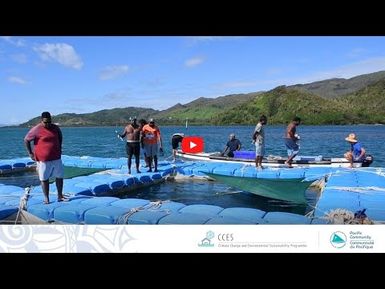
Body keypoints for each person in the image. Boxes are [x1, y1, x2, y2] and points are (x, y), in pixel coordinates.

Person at [24, 112, 67, 204]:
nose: (47, 124)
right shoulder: (36, 129)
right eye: (45, 122)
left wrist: (59, 147)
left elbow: (60, 137)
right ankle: (46, 198)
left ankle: (60, 196)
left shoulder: (55, 128)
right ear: (41, 120)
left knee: (59, 176)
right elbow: (26, 140)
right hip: (43, 159)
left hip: (56, 157)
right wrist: (30, 153)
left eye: (49, 122)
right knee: (44, 178)